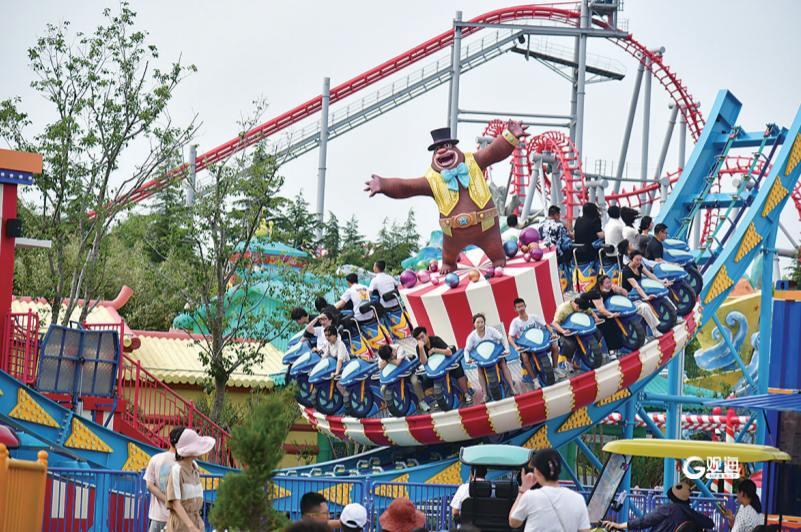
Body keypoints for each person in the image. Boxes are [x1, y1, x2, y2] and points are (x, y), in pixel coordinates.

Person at [509, 448, 591, 532]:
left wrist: (523, 489)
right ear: (560, 469)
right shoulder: (578, 499)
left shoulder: (530, 497)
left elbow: (513, 522)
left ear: (537, 471)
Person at [582, 274, 662, 348]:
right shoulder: (597, 294)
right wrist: (611, 314)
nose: (609, 284)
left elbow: (625, 294)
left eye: (610, 282)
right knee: (609, 325)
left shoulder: (611, 289)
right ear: (600, 285)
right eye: (607, 283)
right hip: (602, 315)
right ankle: (614, 349)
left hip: (618, 309)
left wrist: (619, 289)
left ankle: (654, 330)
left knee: (643, 307)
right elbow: (601, 309)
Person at [603, 481, 715, 532]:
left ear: (671, 497)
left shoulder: (668, 509)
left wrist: (619, 525)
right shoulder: (692, 514)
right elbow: (710, 523)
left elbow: (645, 521)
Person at [165, 429, 215, 532]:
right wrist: (191, 527)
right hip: (181, 525)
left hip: (196, 521)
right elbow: (176, 504)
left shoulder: (195, 468)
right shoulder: (177, 470)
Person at [464, 314, 520, 400]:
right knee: (480, 370)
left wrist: (507, 349)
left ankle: (512, 388)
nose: (480, 324)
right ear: (474, 324)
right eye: (478, 322)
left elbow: (502, 338)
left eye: (482, 322)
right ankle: (485, 394)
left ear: (484, 323)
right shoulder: (472, 336)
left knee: (503, 364)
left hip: (495, 354)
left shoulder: (490, 330)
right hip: (482, 358)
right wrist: (467, 359)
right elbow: (467, 349)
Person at [413, 326, 472, 406]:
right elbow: (424, 362)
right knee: (426, 381)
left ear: (427, 334)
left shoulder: (436, 340)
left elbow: (449, 352)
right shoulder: (419, 348)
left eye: (422, 337)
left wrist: (434, 350)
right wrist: (421, 348)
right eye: (418, 339)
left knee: (458, 370)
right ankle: (439, 398)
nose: (421, 340)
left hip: (446, 364)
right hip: (435, 369)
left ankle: (466, 393)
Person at [507, 298, 563, 383]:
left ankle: (555, 368)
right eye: (518, 307)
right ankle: (534, 378)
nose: (521, 309)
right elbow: (510, 337)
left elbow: (546, 325)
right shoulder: (515, 322)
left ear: (525, 306)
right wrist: (516, 347)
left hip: (539, 344)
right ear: (515, 309)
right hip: (527, 347)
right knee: (525, 357)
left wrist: (552, 333)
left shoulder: (533, 317)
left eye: (522, 306)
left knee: (555, 347)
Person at [622, 251, 672, 337]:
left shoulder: (639, 266)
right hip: (631, 298)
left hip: (640, 293)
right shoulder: (627, 271)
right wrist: (646, 297)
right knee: (645, 307)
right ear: (630, 259)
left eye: (640, 260)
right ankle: (654, 330)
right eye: (636, 260)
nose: (639, 262)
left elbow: (649, 275)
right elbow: (636, 286)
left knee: (660, 295)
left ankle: (674, 316)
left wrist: (661, 283)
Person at [144, 427, 184, 532]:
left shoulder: (156, 459)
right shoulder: (188, 464)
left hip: (157, 517)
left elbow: (149, 485)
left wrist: (167, 500)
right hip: (179, 517)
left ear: (169, 441)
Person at [551, 297, 604, 375]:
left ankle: (590, 351)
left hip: (580, 328)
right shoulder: (563, 309)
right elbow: (554, 323)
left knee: (597, 333)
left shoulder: (583, 305)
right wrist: (563, 331)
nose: (583, 312)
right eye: (581, 311)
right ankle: (568, 361)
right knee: (570, 345)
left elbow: (591, 312)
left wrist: (596, 317)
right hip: (567, 329)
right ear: (576, 307)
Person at [377, 343, 430, 412]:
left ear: (392, 349)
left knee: (415, 381)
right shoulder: (383, 353)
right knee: (383, 389)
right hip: (393, 373)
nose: (391, 357)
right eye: (387, 358)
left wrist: (387, 360)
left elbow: (398, 363)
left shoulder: (399, 348)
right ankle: (390, 406)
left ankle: (421, 401)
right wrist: (390, 359)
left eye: (391, 355)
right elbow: (380, 366)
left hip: (407, 370)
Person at [320, 325, 351, 396]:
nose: (327, 337)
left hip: (345, 367)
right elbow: (324, 357)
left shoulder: (340, 344)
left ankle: (347, 399)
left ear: (335, 335)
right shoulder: (329, 344)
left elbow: (340, 360)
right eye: (326, 335)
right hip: (336, 367)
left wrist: (336, 373)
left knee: (339, 384)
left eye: (329, 335)